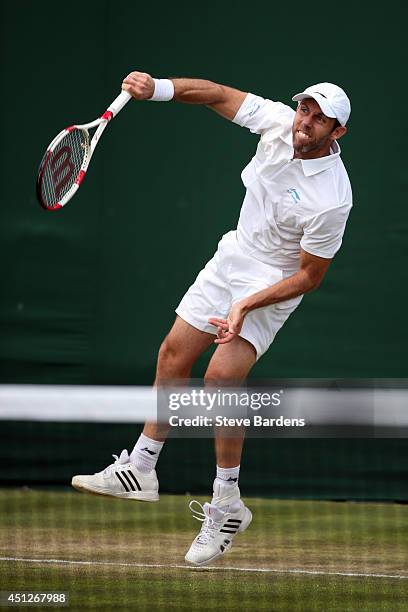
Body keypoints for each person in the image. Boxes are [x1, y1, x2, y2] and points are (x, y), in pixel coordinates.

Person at [72, 73, 352, 566]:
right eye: (304, 110)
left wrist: (246, 305)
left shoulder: (332, 198)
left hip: (274, 283)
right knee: (172, 353)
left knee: (220, 377)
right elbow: (217, 95)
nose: (305, 122)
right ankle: (141, 467)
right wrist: (155, 88)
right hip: (233, 258)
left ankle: (226, 503)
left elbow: (309, 276)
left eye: (319, 117)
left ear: (338, 132)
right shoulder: (277, 123)